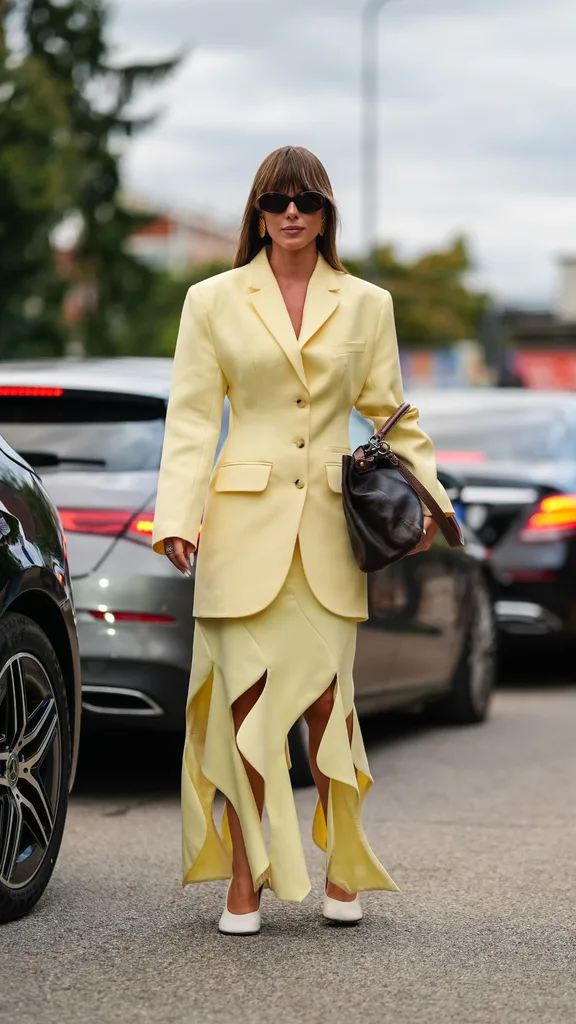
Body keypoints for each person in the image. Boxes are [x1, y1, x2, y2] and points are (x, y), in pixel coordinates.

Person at [152, 146, 454, 935]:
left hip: (326, 532)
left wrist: (431, 505)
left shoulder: (367, 304)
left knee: (327, 705)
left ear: (326, 215)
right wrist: (176, 518)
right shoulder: (210, 300)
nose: (293, 212)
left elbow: (393, 415)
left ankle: (341, 865)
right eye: (278, 199)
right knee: (245, 705)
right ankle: (245, 880)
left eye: (308, 200)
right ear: (258, 211)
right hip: (239, 531)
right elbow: (190, 417)